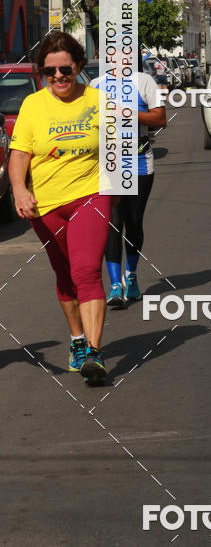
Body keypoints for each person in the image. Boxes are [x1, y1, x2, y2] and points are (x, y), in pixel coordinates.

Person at [8, 32, 111, 384]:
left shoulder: (100, 101)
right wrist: (20, 190)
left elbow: (123, 147)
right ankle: (78, 339)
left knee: (86, 271)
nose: (58, 77)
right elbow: (19, 153)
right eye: (49, 72)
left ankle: (95, 355)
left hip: (91, 195)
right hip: (45, 205)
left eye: (65, 69)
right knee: (65, 275)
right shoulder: (33, 106)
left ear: (79, 65)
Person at [91, 50, 166, 307]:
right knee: (113, 221)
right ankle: (114, 285)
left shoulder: (144, 81)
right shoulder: (96, 85)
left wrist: (130, 113)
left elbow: (160, 118)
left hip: (139, 162)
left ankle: (131, 277)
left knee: (133, 221)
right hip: (108, 164)